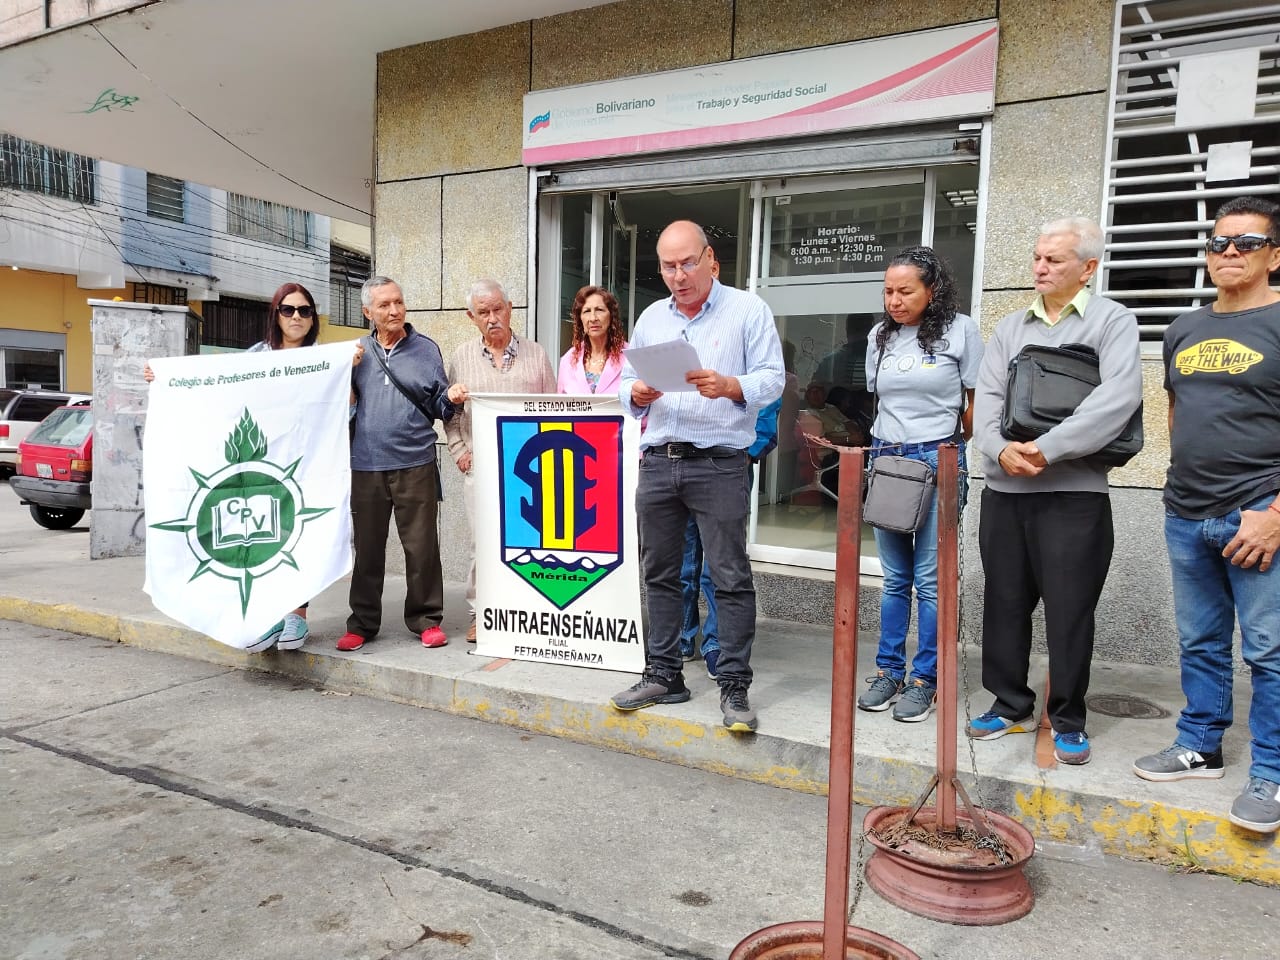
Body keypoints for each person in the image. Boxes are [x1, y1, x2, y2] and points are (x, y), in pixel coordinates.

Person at [969, 216, 1142, 765]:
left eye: (1054, 260)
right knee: (1004, 602)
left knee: (1070, 611)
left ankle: (1066, 716)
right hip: (1006, 492)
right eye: (1037, 257)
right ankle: (1009, 701)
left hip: (1075, 495)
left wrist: (1047, 449)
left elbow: (1117, 399)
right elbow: (986, 404)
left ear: (1088, 267)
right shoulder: (1009, 328)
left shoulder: (1113, 322)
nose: (1040, 267)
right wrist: (1000, 450)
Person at [1132, 196, 1280, 834]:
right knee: (1200, 641)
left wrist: (1275, 513)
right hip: (1187, 511)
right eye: (1219, 242)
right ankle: (1201, 745)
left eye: (1245, 243)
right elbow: (1175, 411)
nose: (1228, 253)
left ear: (1275, 254)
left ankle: (1271, 773)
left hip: (1260, 514)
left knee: (1270, 649)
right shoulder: (1183, 329)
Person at [609, 220, 784, 733]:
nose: (678, 275)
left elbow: (773, 378)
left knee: (728, 577)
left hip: (719, 462)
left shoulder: (748, 310)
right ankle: (664, 674)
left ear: (712, 260)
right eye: (668, 266)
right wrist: (636, 395)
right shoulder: (650, 317)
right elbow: (624, 382)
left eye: (688, 263)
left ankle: (734, 686)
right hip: (660, 460)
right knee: (659, 574)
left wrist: (732, 385)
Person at [143, 281, 361, 652]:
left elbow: (348, 410)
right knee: (263, 535)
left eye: (304, 311)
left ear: (313, 319)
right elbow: (220, 393)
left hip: (307, 464)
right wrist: (168, 381)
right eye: (288, 310)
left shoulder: (326, 359)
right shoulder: (255, 357)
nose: (296, 317)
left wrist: (346, 376)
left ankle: (297, 615)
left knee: (298, 532)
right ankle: (265, 615)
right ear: (275, 314)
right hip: (260, 460)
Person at [856, 246, 983, 722]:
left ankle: (925, 679)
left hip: (939, 457)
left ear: (933, 291)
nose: (894, 299)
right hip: (888, 457)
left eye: (905, 291)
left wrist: (954, 449)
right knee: (894, 579)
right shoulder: (879, 337)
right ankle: (888, 670)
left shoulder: (960, 330)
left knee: (931, 582)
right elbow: (879, 399)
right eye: (888, 290)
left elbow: (976, 400)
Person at [338, 276, 459, 653]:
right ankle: (361, 623)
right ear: (367, 312)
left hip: (416, 462)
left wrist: (451, 399)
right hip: (366, 465)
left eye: (399, 302)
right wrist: (345, 374)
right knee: (369, 550)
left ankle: (426, 620)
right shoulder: (354, 351)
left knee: (422, 548)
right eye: (385, 305)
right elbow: (338, 407)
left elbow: (440, 404)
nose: (394, 311)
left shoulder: (425, 349)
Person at [444, 279, 557, 642]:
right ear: (471, 317)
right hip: (481, 467)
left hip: (530, 469)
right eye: (483, 312)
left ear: (510, 308)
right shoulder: (461, 356)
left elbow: (553, 410)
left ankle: (529, 610)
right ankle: (483, 613)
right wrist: (460, 452)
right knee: (483, 543)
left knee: (530, 541)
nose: (493, 318)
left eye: (498, 309)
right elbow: (449, 412)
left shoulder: (537, 354)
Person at [679, 399, 781, 678]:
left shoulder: (743, 353)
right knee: (680, 562)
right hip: (679, 460)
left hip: (726, 461)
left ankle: (717, 645)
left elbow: (768, 395)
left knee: (720, 565)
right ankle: (681, 639)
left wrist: (749, 450)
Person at [557, 285, 627, 394]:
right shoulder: (567, 360)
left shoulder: (629, 356)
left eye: (599, 310)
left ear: (611, 316)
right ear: (580, 318)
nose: (593, 318)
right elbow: (560, 407)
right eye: (587, 311)